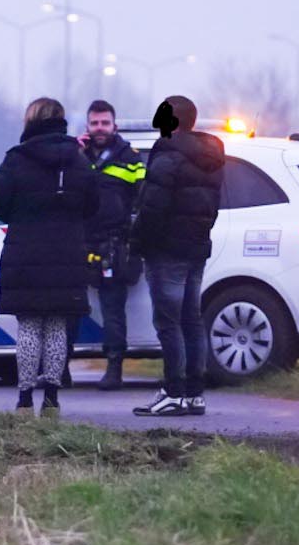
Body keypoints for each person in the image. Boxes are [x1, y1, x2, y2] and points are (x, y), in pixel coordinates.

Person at [0, 98, 99, 415]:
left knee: (30, 327)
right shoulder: (78, 159)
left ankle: (24, 399)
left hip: (25, 252)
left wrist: (19, 214)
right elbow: (93, 204)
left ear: (30, 121)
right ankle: (51, 399)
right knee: (58, 327)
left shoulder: (16, 159)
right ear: (61, 121)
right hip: (68, 252)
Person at [129, 94, 223, 417]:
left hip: (166, 250)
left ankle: (173, 392)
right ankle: (195, 394)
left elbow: (152, 208)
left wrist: (137, 242)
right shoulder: (210, 156)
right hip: (196, 247)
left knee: (168, 323)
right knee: (191, 321)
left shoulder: (168, 154)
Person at [78, 100, 147, 390]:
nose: (100, 128)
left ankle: (114, 367)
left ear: (114, 126)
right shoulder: (77, 156)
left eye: (105, 123)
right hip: (79, 241)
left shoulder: (129, 158)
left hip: (113, 243)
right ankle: (61, 369)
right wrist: (75, 153)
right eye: (94, 123)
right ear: (87, 126)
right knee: (69, 306)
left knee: (112, 310)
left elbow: (142, 198)